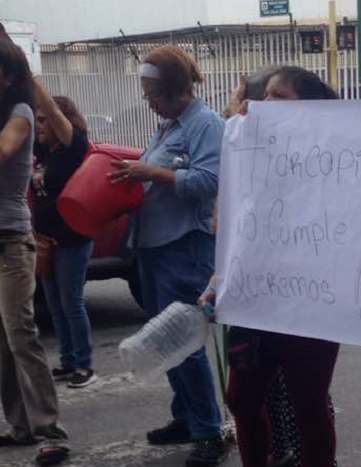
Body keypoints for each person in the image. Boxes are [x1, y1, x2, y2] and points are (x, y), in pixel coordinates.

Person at [202, 66, 341, 467]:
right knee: (241, 399)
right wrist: (217, 279)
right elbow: (229, 227)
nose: (265, 104)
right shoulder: (248, 154)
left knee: (308, 404)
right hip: (254, 299)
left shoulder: (333, 161)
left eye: (279, 97)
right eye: (265, 96)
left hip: (311, 304)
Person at [108, 45, 228, 467]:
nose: (151, 104)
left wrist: (150, 172)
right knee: (166, 341)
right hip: (155, 245)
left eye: (154, 96)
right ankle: (187, 418)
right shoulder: (168, 125)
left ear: (178, 89)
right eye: (147, 96)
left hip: (185, 246)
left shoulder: (206, 124)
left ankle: (209, 432)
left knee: (185, 342)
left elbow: (210, 180)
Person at [0, 39, 70, 466]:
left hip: (10, 239)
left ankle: (52, 432)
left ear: (8, 77)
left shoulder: (20, 114)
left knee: (21, 335)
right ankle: (19, 425)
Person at [32, 83, 97, 389]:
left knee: (72, 302)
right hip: (46, 240)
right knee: (54, 303)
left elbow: (56, 115)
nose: (38, 125)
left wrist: (32, 82)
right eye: (37, 119)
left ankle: (84, 365)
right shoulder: (44, 150)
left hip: (72, 239)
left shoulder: (74, 147)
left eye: (43, 120)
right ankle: (68, 360)